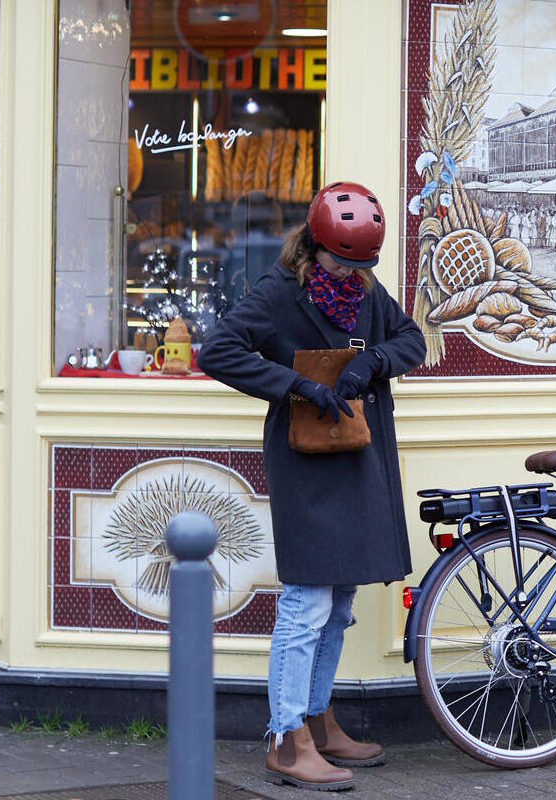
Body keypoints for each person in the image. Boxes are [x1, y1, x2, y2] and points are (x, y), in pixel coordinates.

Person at [198, 181, 426, 792]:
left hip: (357, 455)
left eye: (363, 267)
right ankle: (285, 737)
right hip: (305, 464)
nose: (355, 277)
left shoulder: (365, 292)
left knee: (342, 598)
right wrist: (296, 386)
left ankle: (320, 722)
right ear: (316, 247)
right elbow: (216, 350)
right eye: (344, 264)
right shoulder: (278, 294)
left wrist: (371, 362)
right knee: (306, 604)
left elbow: (412, 340)